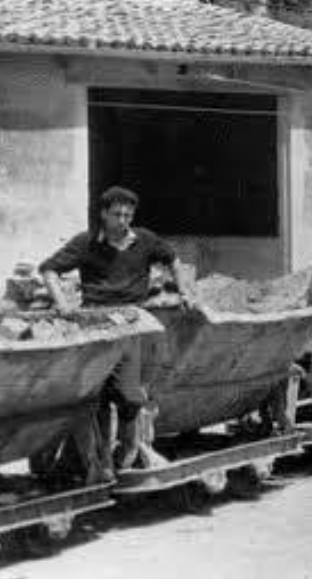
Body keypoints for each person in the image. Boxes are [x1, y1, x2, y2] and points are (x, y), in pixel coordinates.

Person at [38, 185, 192, 479]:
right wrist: (61, 303)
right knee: (93, 396)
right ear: (103, 214)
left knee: (129, 395)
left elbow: (172, 258)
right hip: (95, 325)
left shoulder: (145, 240)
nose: (123, 220)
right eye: (117, 214)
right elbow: (48, 269)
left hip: (130, 323)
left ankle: (128, 447)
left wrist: (184, 291)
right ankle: (98, 461)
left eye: (127, 214)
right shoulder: (86, 243)